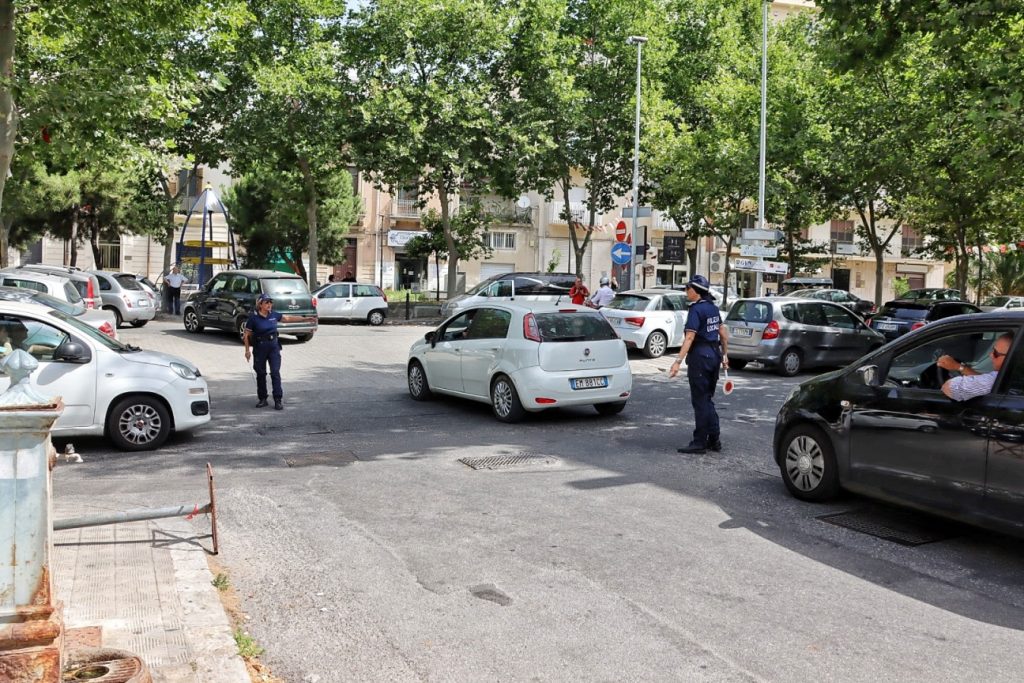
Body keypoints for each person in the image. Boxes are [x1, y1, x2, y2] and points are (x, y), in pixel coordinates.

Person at [668, 274, 730, 454]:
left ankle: (700, 441)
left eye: (688, 288)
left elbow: (689, 337)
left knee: (701, 401)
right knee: (707, 399)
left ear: (696, 291)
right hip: (714, 355)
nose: (686, 291)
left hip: (700, 358)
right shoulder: (712, 308)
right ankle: (714, 439)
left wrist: (677, 362)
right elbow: (723, 334)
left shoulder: (696, 310)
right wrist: (725, 356)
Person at [243, 294, 294, 410]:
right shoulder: (253, 318)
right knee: (261, 374)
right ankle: (263, 398)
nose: (269, 305)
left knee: (275, 372)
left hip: (274, 347)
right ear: (260, 305)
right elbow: (246, 335)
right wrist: (247, 350)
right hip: (260, 348)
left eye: (270, 302)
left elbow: (287, 318)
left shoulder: (274, 315)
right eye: (266, 302)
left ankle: (278, 399)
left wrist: (305, 318)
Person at [937, 332, 1013, 401]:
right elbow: (982, 381)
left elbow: (950, 388)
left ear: (1011, 356)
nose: (991, 355)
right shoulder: (1012, 374)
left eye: (996, 353)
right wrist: (958, 367)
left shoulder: (997, 379)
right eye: (992, 350)